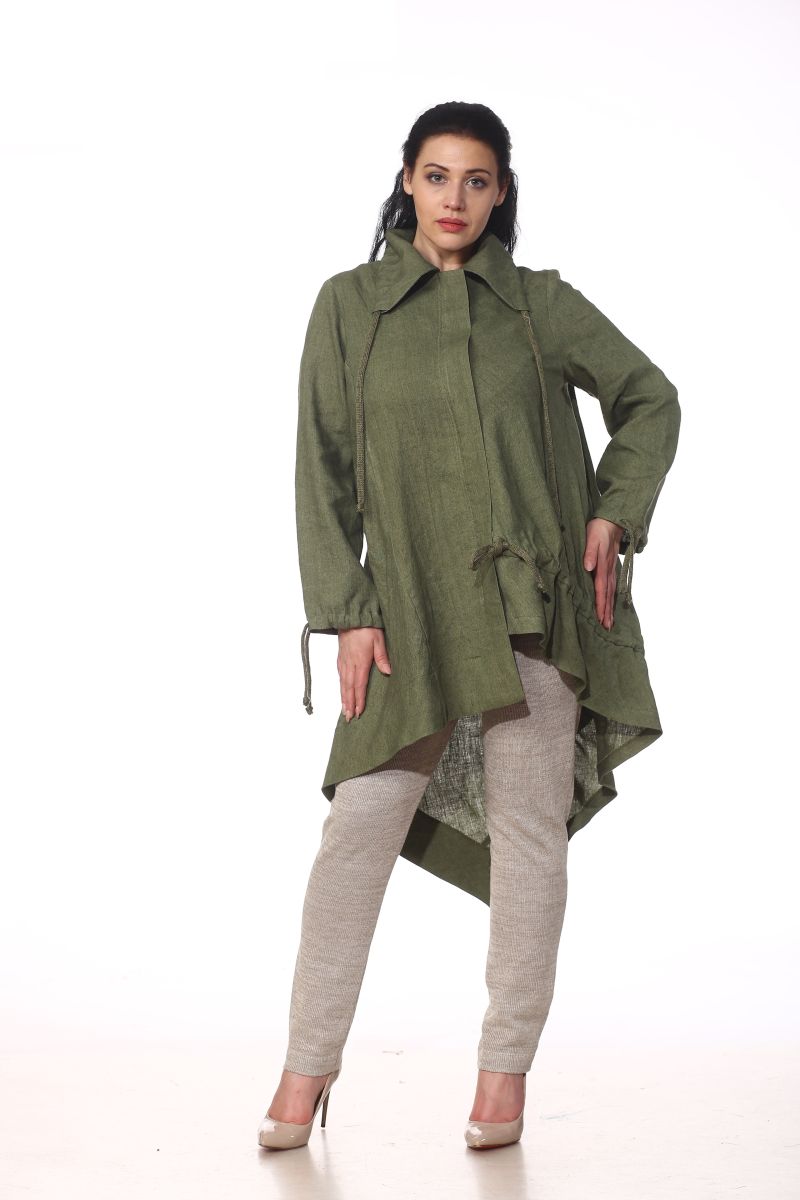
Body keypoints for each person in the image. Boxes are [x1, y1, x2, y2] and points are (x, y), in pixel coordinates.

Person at [258, 101, 680, 1151]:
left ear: (500, 193)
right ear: (407, 179)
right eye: (437, 175)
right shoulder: (349, 305)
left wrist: (613, 511)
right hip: (406, 615)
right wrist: (345, 615)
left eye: (477, 180)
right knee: (358, 829)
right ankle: (307, 1066)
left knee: (531, 838)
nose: (455, 198)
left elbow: (649, 398)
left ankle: (504, 1076)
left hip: (533, 609)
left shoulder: (537, 306)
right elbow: (321, 467)